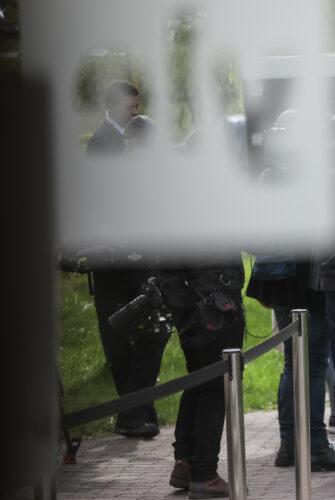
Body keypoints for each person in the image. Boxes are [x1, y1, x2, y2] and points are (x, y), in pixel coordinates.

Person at [245, 109, 335, 472]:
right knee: (313, 366)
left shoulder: (270, 172)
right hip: (304, 282)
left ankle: (290, 444)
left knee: (293, 363)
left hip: (277, 280)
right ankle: (315, 444)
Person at [85, 82, 168, 439]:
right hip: (120, 261)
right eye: (129, 107)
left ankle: (137, 411)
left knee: (143, 333)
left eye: (137, 107)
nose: (134, 111)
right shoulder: (102, 146)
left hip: (133, 259)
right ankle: (134, 411)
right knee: (132, 334)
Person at [160, 255, 246, 499]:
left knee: (199, 379)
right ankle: (205, 475)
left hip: (184, 292)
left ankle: (185, 463)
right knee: (216, 386)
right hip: (214, 294)